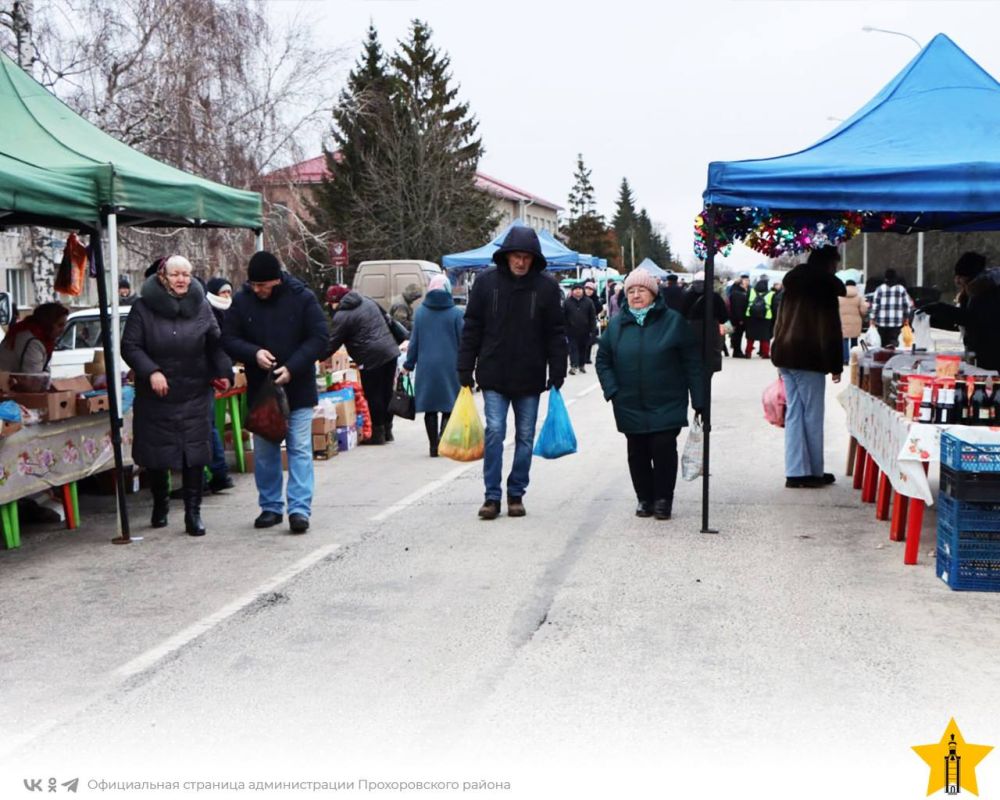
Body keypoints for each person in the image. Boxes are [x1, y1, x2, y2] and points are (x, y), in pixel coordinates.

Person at [456, 225, 567, 520]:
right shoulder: (485, 283)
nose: (520, 262)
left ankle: (516, 492)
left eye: (526, 257)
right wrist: (465, 367)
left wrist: (558, 369)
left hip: (530, 376)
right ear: (505, 257)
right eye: (516, 256)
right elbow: (472, 328)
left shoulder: (546, 288)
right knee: (494, 432)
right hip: (493, 372)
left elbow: (556, 332)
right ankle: (491, 496)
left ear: (534, 259)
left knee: (526, 436)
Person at [122, 256, 233, 536]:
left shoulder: (201, 306)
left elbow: (215, 343)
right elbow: (130, 346)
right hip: (157, 394)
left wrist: (223, 371)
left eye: (186, 274)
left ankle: (193, 514)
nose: (182, 279)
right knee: (158, 454)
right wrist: (152, 371)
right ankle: (160, 504)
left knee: (194, 453)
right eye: (175, 274)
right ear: (163, 276)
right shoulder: (143, 307)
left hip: (194, 391)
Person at [222, 251, 329, 534]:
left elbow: (320, 337)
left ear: (277, 281)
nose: (258, 290)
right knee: (266, 450)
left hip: (298, 386)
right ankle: (270, 506)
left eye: (264, 286)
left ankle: (299, 510)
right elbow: (228, 337)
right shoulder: (243, 301)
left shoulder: (301, 298)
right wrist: (253, 353)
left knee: (300, 448)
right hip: (262, 390)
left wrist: (293, 367)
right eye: (254, 285)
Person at [596, 268, 703, 520]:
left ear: (653, 294)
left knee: (663, 448)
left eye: (641, 290)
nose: (635, 295)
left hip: (667, 400)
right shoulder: (616, 324)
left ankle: (664, 498)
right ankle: (644, 498)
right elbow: (603, 360)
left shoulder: (673, 322)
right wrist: (612, 390)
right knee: (637, 451)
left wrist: (699, 398)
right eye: (631, 290)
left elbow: (692, 362)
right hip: (629, 402)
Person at [770, 246, 845, 489]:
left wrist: (777, 351)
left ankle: (796, 471)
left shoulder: (792, 284)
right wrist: (836, 365)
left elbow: (780, 321)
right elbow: (831, 330)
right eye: (836, 263)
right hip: (809, 356)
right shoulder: (824, 288)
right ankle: (812, 470)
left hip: (786, 354)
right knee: (812, 415)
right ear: (829, 264)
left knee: (794, 413)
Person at [326, 284, 401, 446]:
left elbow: (331, 344)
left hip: (370, 357)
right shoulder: (367, 301)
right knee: (387, 392)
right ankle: (388, 431)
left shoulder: (342, 316)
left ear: (335, 301)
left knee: (374, 395)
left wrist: (316, 358)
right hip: (390, 351)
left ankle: (378, 433)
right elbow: (388, 319)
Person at [402, 275, 464, 457]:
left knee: (430, 407)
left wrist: (409, 364)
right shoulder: (456, 313)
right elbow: (463, 341)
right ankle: (443, 440)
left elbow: (414, 342)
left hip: (427, 366)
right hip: (450, 365)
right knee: (449, 405)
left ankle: (433, 446)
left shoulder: (421, 312)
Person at [203, 277, 236, 493]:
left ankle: (218, 471)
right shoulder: (208, 309)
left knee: (208, 426)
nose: (226, 297)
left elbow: (219, 344)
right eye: (223, 293)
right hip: (214, 372)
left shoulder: (214, 312)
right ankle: (218, 471)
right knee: (209, 425)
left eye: (228, 292)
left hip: (210, 374)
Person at [680, 270, 729, 373]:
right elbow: (724, 317)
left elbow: (681, 314)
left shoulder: (687, 296)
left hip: (691, 331)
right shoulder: (715, 296)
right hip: (711, 332)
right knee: (709, 365)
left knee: (693, 363)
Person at [0, 302, 68, 374]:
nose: (63, 330)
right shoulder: (32, 341)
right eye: (60, 325)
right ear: (48, 323)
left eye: (64, 325)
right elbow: (34, 377)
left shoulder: (31, 332)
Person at [868, 269, 914, 347]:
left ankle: (884, 357)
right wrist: (906, 317)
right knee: (893, 342)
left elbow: (875, 306)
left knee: (883, 343)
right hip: (896, 322)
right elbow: (906, 305)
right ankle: (892, 355)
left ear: (885, 278)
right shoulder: (901, 289)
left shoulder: (879, 289)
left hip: (881, 323)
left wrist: (872, 319)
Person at [564, 282, 596, 375]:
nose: (578, 291)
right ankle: (574, 366)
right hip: (571, 330)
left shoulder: (588, 302)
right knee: (573, 349)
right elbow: (563, 316)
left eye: (579, 289)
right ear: (572, 291)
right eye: (575, 289)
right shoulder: (567, 302)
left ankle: (581, 364)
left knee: (583, 348)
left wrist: (592, 329)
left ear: (582, 290)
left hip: (585, 330)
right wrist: (564, 328)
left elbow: (592, 317)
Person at [838, 279, 868, 365]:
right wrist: (862, 315)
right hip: (856, 321)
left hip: (843, 321)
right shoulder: (859, 297)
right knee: (854, 340)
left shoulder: (839, 296)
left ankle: (845, 359)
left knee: (844, 340)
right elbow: (863, 309)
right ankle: (854, 358)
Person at [744, 276, 775, 358]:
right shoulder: (771, 294)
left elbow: (746, 302)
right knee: (764, 337)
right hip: (766, 318)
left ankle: (748, 353)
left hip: (751, 317)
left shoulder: (751, 291)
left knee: (750, 336)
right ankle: (765, 354)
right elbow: (774, 307)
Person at [728, 273, 750, 357]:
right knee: (737, 335)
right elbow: (737, 308)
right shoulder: (738, 293)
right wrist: (740, 319)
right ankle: (737, 352)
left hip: (736, 318)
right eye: (746, 281)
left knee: (737, 335)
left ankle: (737, 351)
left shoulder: (736, 291)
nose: (747, 283)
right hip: (737, 319)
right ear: (741, 283)